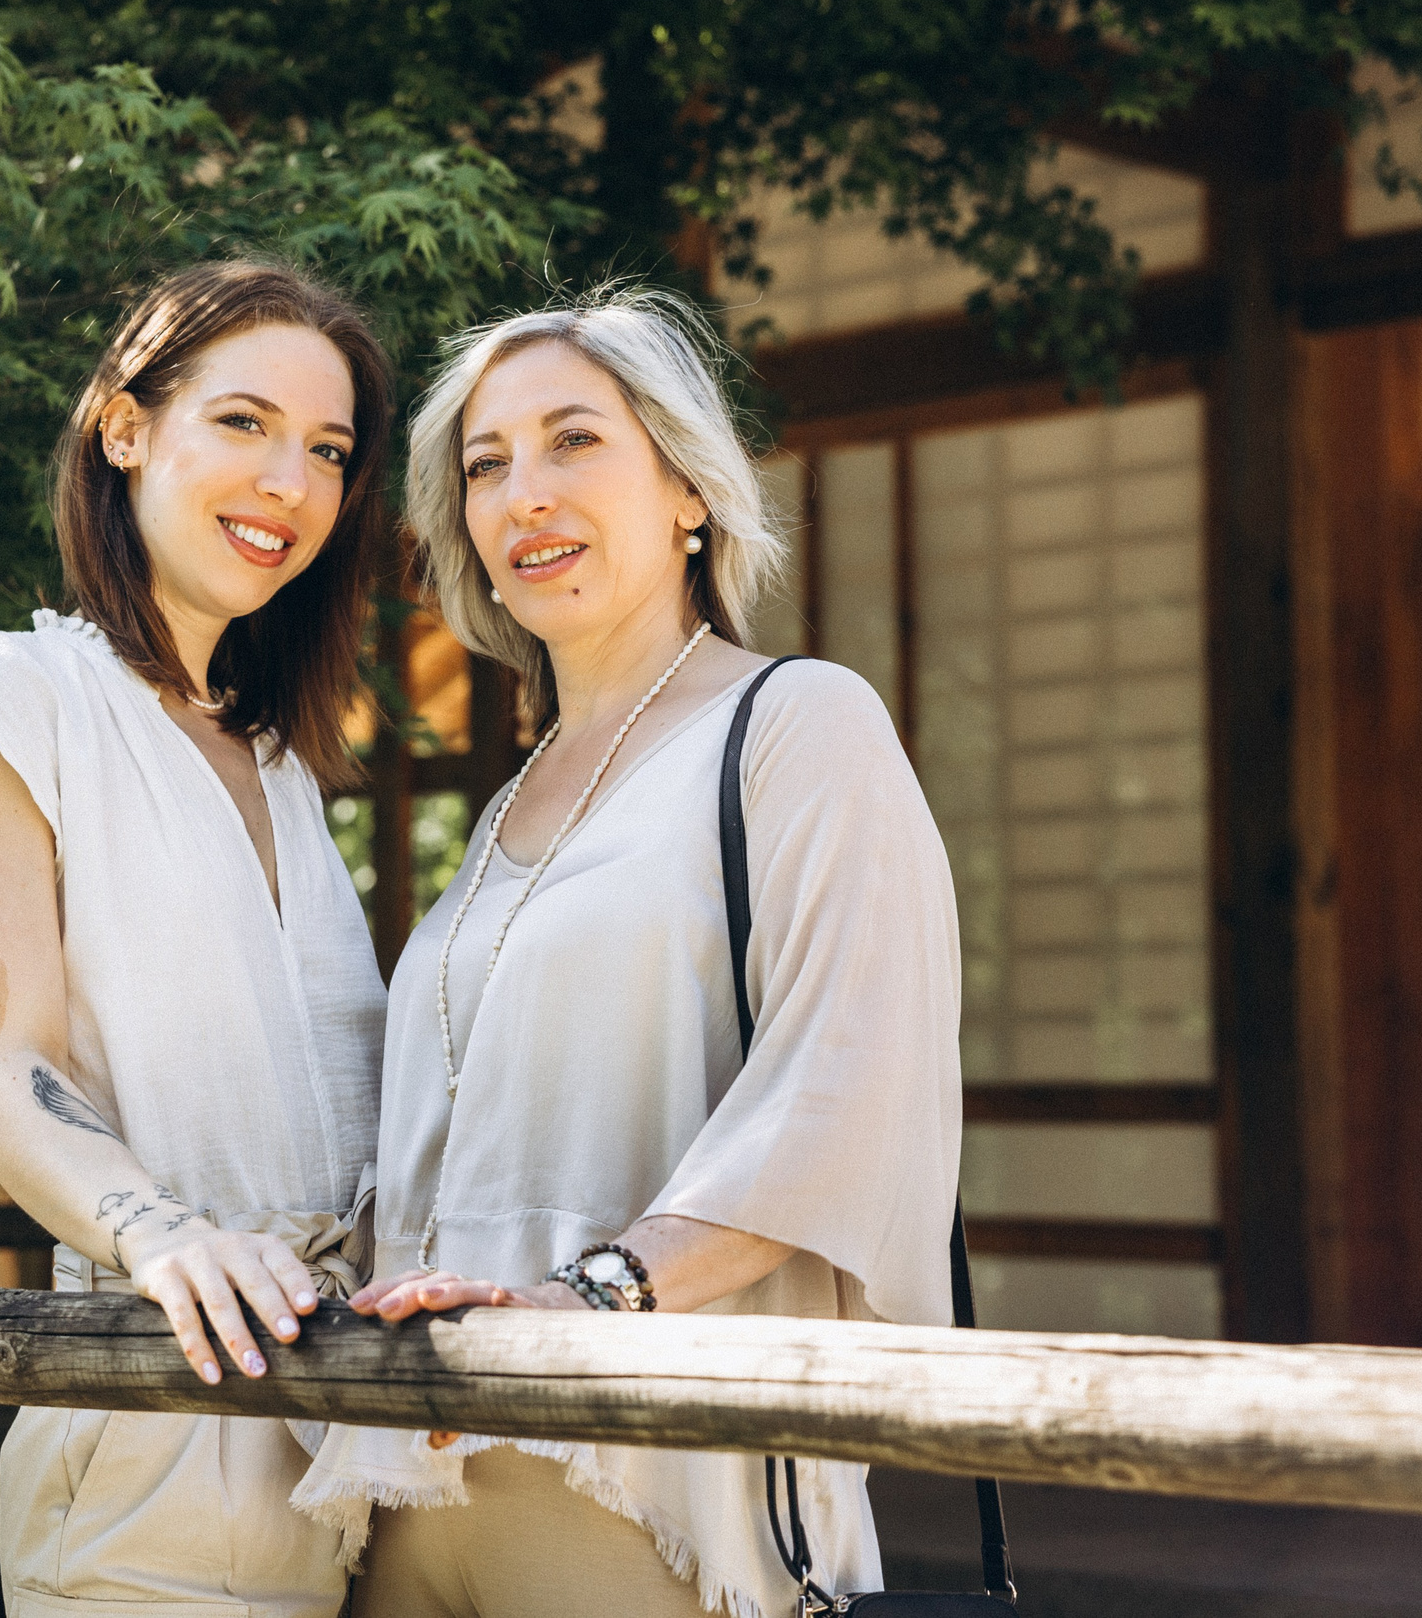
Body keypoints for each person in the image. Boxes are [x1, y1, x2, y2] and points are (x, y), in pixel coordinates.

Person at [291, 284, 962, 1618]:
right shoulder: (508, 804)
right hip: (412, 1477)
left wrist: (593, 1296)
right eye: (486, 466)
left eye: (575, 441)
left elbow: (849, 1086)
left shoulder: (797, 726)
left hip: (649, 1478)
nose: (523, 493)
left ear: (690, 491)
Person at [0, 259, 393, 1618]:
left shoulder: (279, 761)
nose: (290, 481)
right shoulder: (8, 694)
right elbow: (11, 1078)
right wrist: (164, 1238)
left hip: (358, 1443)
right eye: (243, 422)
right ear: (124, 427)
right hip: (152, 1424)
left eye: (328, 450)